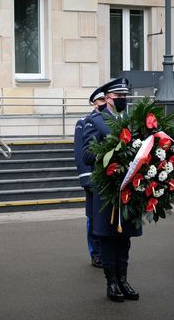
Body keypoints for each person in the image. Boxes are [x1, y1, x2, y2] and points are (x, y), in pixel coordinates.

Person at [82, 77, 140, 302]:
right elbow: (87, 155)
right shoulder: (94, 121)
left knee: (124, 237)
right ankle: (112, 282)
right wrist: (111, 156)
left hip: (128, 189)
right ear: (107, 99)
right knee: (108, 237)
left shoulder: (132, 120)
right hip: (107, 189)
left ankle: (124, 279)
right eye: (119, 97)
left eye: (125, 96)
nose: (123, 100)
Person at [73, 87, 106, 268]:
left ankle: (107, 251)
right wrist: (86, 177)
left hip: (109, 179)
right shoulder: (84, 121)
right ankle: (96, 253)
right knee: (93, 217)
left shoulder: (111, 121)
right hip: (93, 177)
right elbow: (80, 152)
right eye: (101, 101)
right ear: (94, 103)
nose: (104, 104)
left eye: (105, 100)